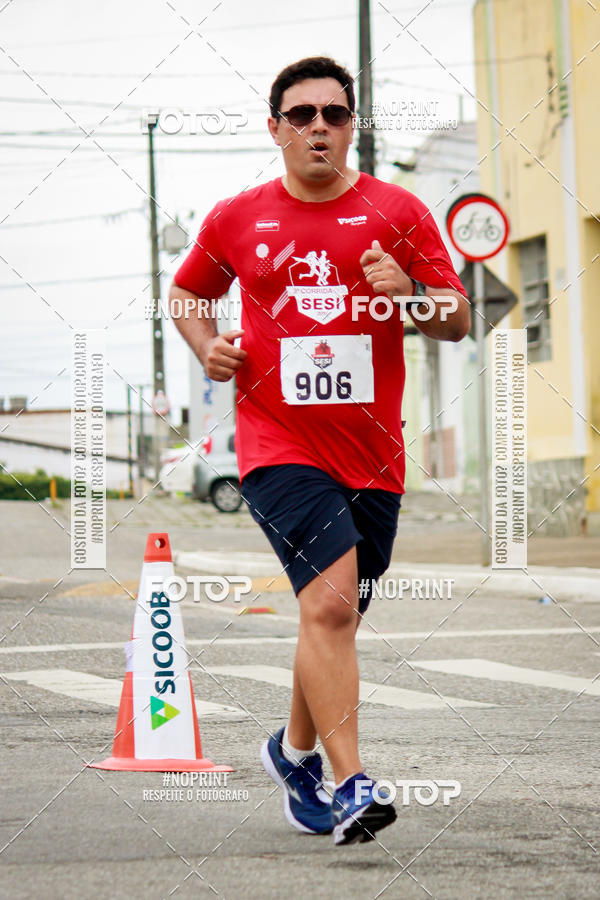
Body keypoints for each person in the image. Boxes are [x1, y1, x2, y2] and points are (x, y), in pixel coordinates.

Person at [170, 56, 470, 846]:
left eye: (333, 114)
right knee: (332, 603)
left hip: (373, 453)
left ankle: (293, 752)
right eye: (300, 115)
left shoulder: (397, 210)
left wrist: (406, 289)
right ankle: (350, 785)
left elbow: (456, 317)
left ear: (352, 127)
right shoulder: (238, 217)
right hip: (277, 443)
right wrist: (208, 348)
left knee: (330, 613)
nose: (317, 128)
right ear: (275, 129)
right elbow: (186, 294)